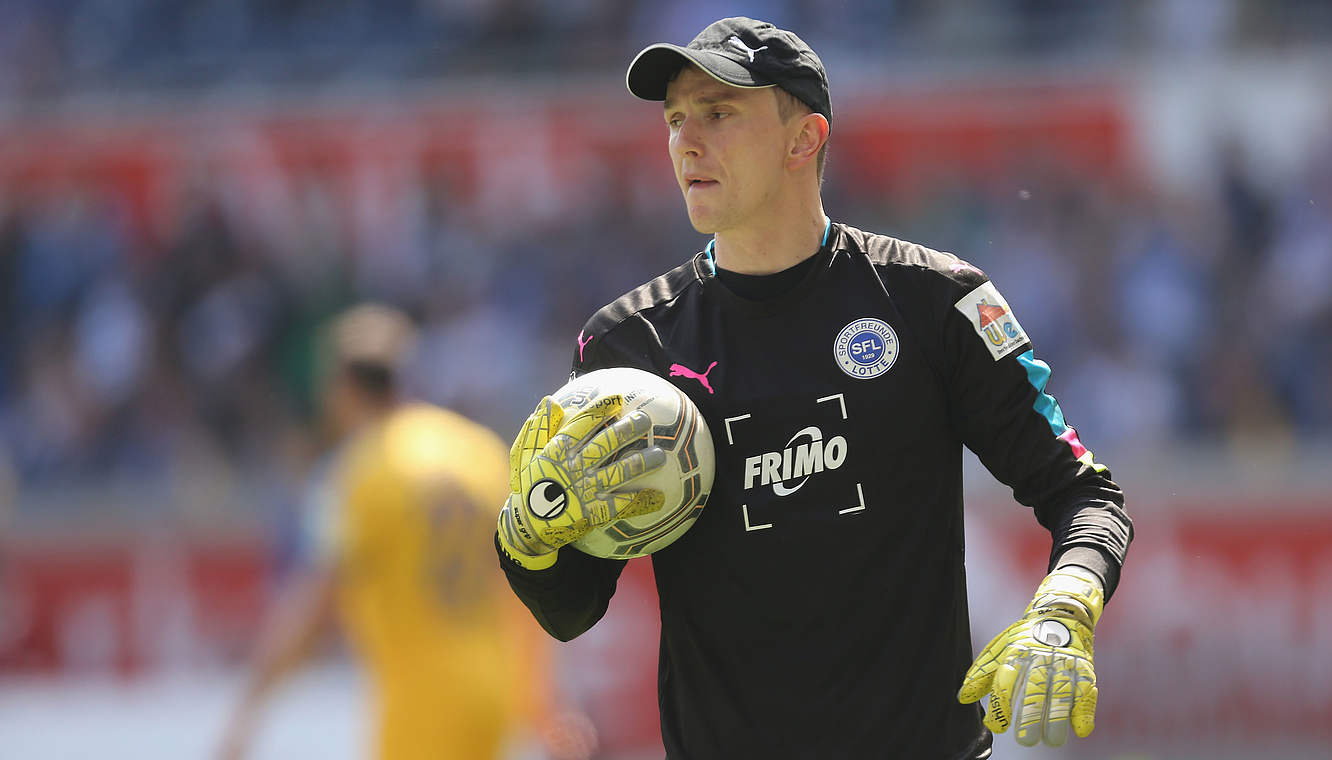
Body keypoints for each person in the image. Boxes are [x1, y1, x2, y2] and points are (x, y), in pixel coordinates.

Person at [495, 17, 1132, 759]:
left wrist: (1066, 605)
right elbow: (572, 609)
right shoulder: (628, 346)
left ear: (805, 140)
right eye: (675, 119)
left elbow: (1082, 493)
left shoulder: (935, 301)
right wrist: (527, 539)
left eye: (719, 113)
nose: (686, 142)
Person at [218, 304, 594, 760]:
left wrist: (249, 710)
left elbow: (315, 601)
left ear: (341, 387)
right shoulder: (480, 451)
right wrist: (543, 700)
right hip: (492, 689)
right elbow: (526, 584)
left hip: (421, 697)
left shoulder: (361, 472)